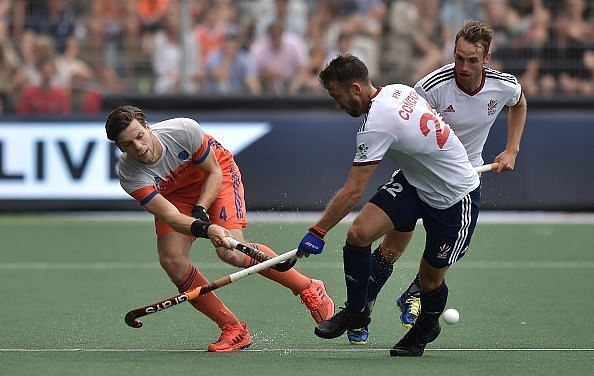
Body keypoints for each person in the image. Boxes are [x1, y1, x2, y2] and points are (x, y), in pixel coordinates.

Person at [346, 19, 527, 345]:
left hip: (461, 181)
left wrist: (512, 148)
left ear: (486, 59)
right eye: (458, 57)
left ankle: (414, 293)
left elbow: (519, 103)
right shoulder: (431, 86)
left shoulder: (504, 86)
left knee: (442, 258)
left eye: (472, 60)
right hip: (419, 176)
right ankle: (364, 305)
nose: (463, 66)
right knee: (391, 246)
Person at [105, 106, 334, 352]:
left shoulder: (183, 131)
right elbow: (170, 216)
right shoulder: (130, 175)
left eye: (140, 136)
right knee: (172, 260)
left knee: (231, 253)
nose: (138, 147)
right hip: (175, 196)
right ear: (120, 148)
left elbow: (213, 171)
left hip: (216, 175)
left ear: (148, 127)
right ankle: (233, 329)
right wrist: (206, 228)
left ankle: (307, 287)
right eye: (128, 144)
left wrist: (202, 209)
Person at [296, 54, 481, 357]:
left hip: (454, 197)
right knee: (358, 235)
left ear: (355, 89)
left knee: (430, 279)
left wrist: (318, 231)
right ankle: (356, 312)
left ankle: (425, 328)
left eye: (336, 95)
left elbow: (353, 191)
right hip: (415, 184)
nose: (336, 103)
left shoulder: (376, 124)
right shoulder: (398, 90)